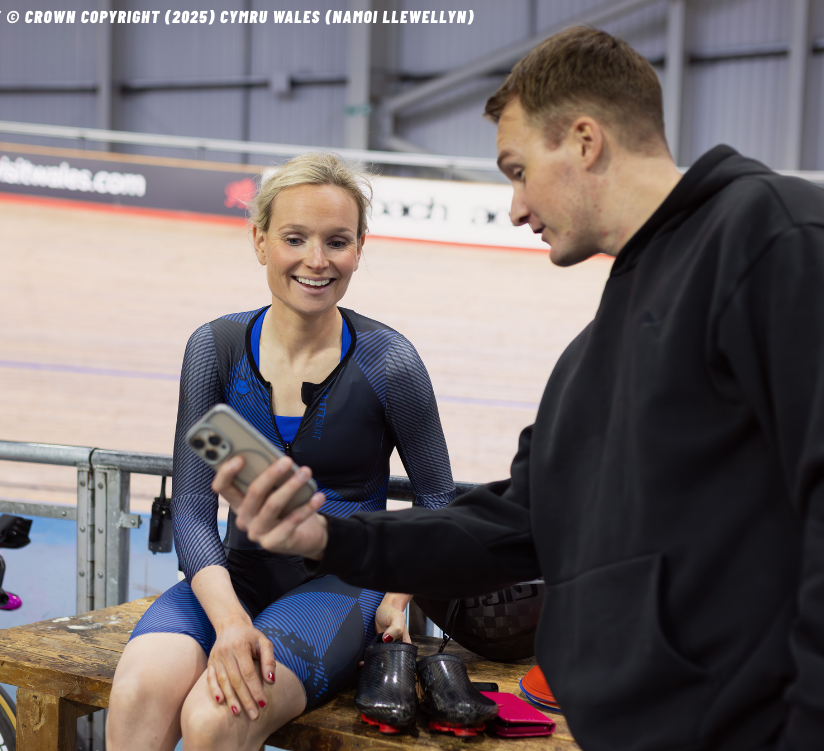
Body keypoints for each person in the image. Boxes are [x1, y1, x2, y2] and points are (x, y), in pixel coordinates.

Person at [214, 27, 824, 751]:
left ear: (585, 140)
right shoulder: (594, 350)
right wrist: (330, 538)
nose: (515, 207)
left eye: (516, 169)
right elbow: (512, 525)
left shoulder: (771, 238)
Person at [105, 152, 457, 751]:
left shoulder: (389, 362)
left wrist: (400, 595)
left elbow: (437, 499)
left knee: (215, 717)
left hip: (343, 587)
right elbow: (192, 511)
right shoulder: (214, 349)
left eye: (337, 242)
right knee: (139, 690)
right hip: (234, 579)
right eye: (295, 238)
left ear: (360, 248)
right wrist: (230, 622)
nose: (316, 261)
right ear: (261, 241)